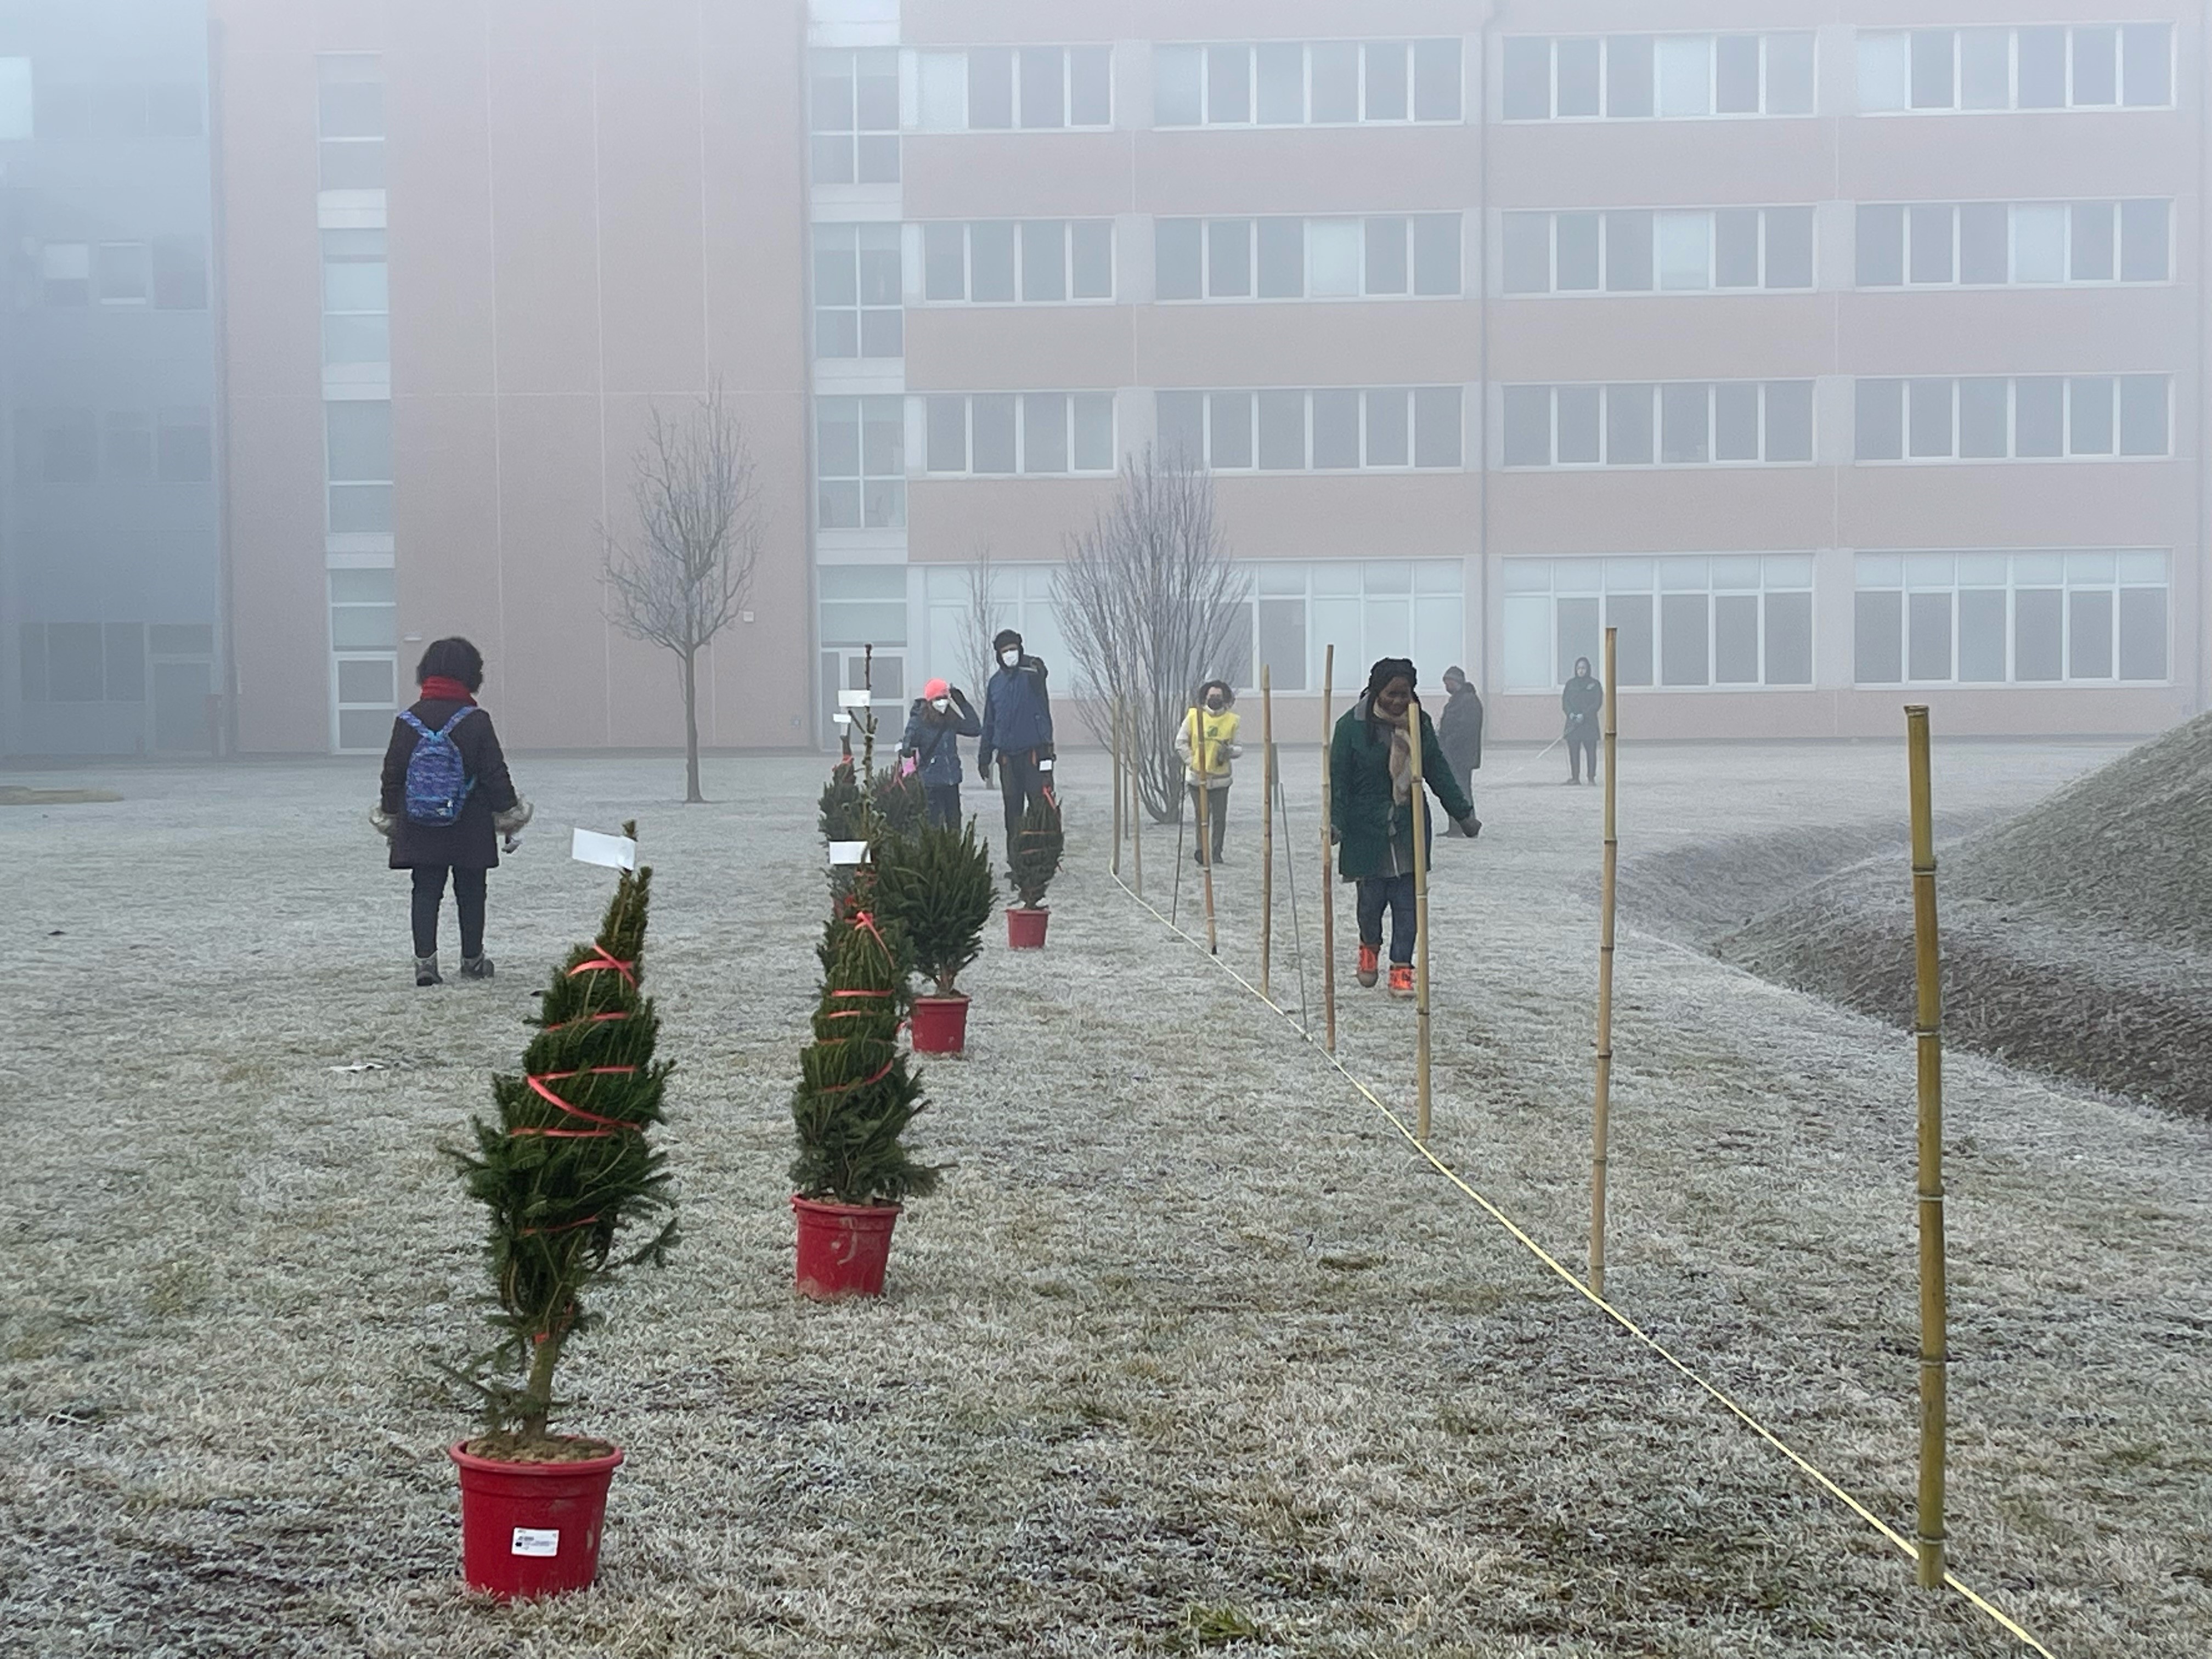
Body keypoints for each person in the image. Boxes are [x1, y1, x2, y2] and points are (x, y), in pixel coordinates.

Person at [371, 637, 532, 987]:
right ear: (469, 675)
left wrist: (391, 815)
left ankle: (425, 963)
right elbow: (494, 774)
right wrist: (509, 812)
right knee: (472, 890)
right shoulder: (476, 720)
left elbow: (392, 774)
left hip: (419, 821)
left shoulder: (407, 720)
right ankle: (473, 960)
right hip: (469, 823)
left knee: (426, 890)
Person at [1330, 658, 1478, 1000]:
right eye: (1392, 694)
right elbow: (1340, 780)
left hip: (1409, 827)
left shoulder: (1418, 723)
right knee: (1371, 904)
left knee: (1407, 905)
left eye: (1406, 694)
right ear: (1377, 691)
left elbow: (1437, 769)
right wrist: (1337, 821)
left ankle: (1401, 971)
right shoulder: (1350, 727)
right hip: (1367, 830)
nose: (1399, 701)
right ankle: (1369, 949)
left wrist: (1462, 813)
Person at [978, 628, 1056, 842]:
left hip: (1034, 754)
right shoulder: (995, 684)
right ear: (999, 655)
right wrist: (985, 756)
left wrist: (1047, 755)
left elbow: (1041, 675)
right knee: (1012, 813)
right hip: (1007, 759)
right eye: (1005, 651)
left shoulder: (1031, 674)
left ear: (1020, 650)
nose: (1010, 654)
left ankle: (1042, 859)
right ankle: (1016, 861)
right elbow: (990, 722)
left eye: (1013, 649)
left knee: (1040, 807)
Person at [1174, 680, 1242, 867]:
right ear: (1205, 697)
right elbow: (1180, 743)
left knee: (1220, 818)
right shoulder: (1194, 717)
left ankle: (1217, 852)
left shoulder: (1232, 721)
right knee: (1201, 817)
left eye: (1219, 697)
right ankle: (1201, 851)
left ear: (1225, 698)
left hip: (1221, 780)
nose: (1215, 700)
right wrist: (1193, 761)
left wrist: (1229, 752)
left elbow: (1239, 748)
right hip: (1197, 778)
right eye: (1212, 696)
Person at [898, 678, 981, 829]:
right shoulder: (920, 721)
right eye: (938, 698)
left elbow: (974, 729)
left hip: (952, 781)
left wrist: (963, 704)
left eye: (945, 698)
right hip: (931, 783)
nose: (942, 702)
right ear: (930, 700)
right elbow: (907, 745)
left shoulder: (950, 719)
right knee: (934, 827)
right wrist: (908, 745)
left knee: (954, 826)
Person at [1437, 666, 1485, 833]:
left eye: (1448, 682)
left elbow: (1466, 729)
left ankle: (1466, 826)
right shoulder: (1457, 700)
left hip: (1462, 756)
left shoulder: (1469, 701)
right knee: (1455, 790)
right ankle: (1457, 827)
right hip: (1452, 755)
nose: (1447, 686)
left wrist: (1448, 742)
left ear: (1457, 682)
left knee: (1462, 791)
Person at [1562, 656, 1603, 786]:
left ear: (1588, 669)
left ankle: (1591, 778)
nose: (1581, 671)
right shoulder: (1570, 684)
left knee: (1591, 752)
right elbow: (1565, 702)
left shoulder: (1595, 684)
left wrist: (1584, 715)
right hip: (1573, 725)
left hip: (1589, 724)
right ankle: (1575, 778)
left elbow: (1597, 703)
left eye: (1583, 668)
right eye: (1579, 668)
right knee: (1574, 752)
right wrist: (1571, 714)